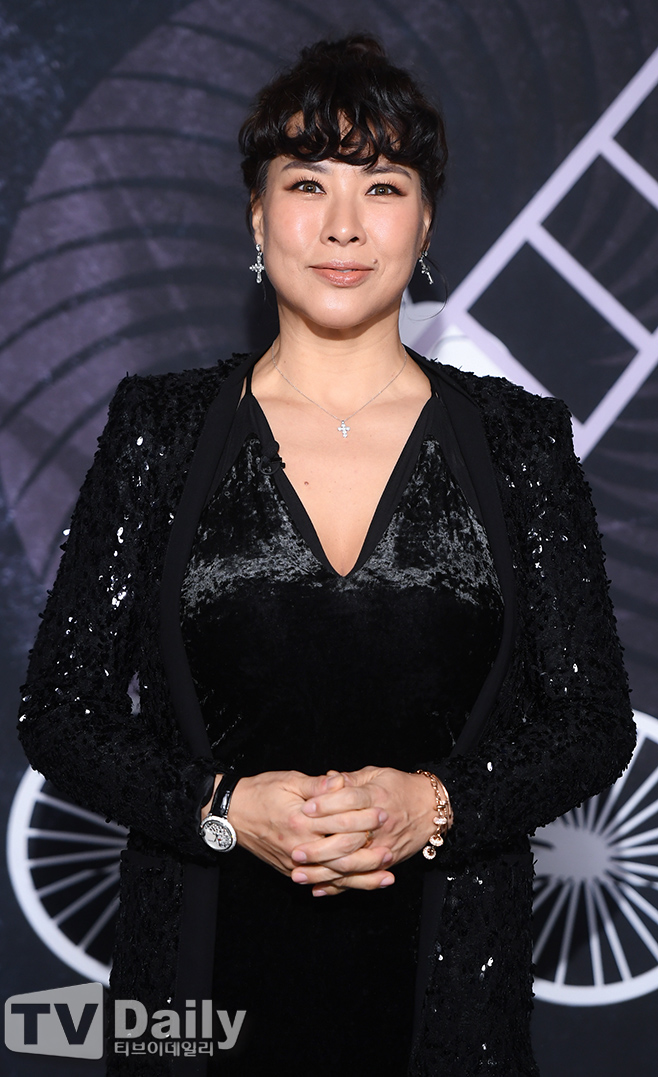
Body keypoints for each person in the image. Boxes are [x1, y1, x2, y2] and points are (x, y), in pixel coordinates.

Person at [17, 34, 635, 1077]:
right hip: (195, 1008)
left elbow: (592, 722)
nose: (344, 223)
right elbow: (61, 711)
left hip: (446, 1010)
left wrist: (434, 806)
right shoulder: (160, 431)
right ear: (258, 218)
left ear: (424, 224)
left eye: (382, 185)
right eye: (307, 181)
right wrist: (222, 809)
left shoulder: (519, 444)